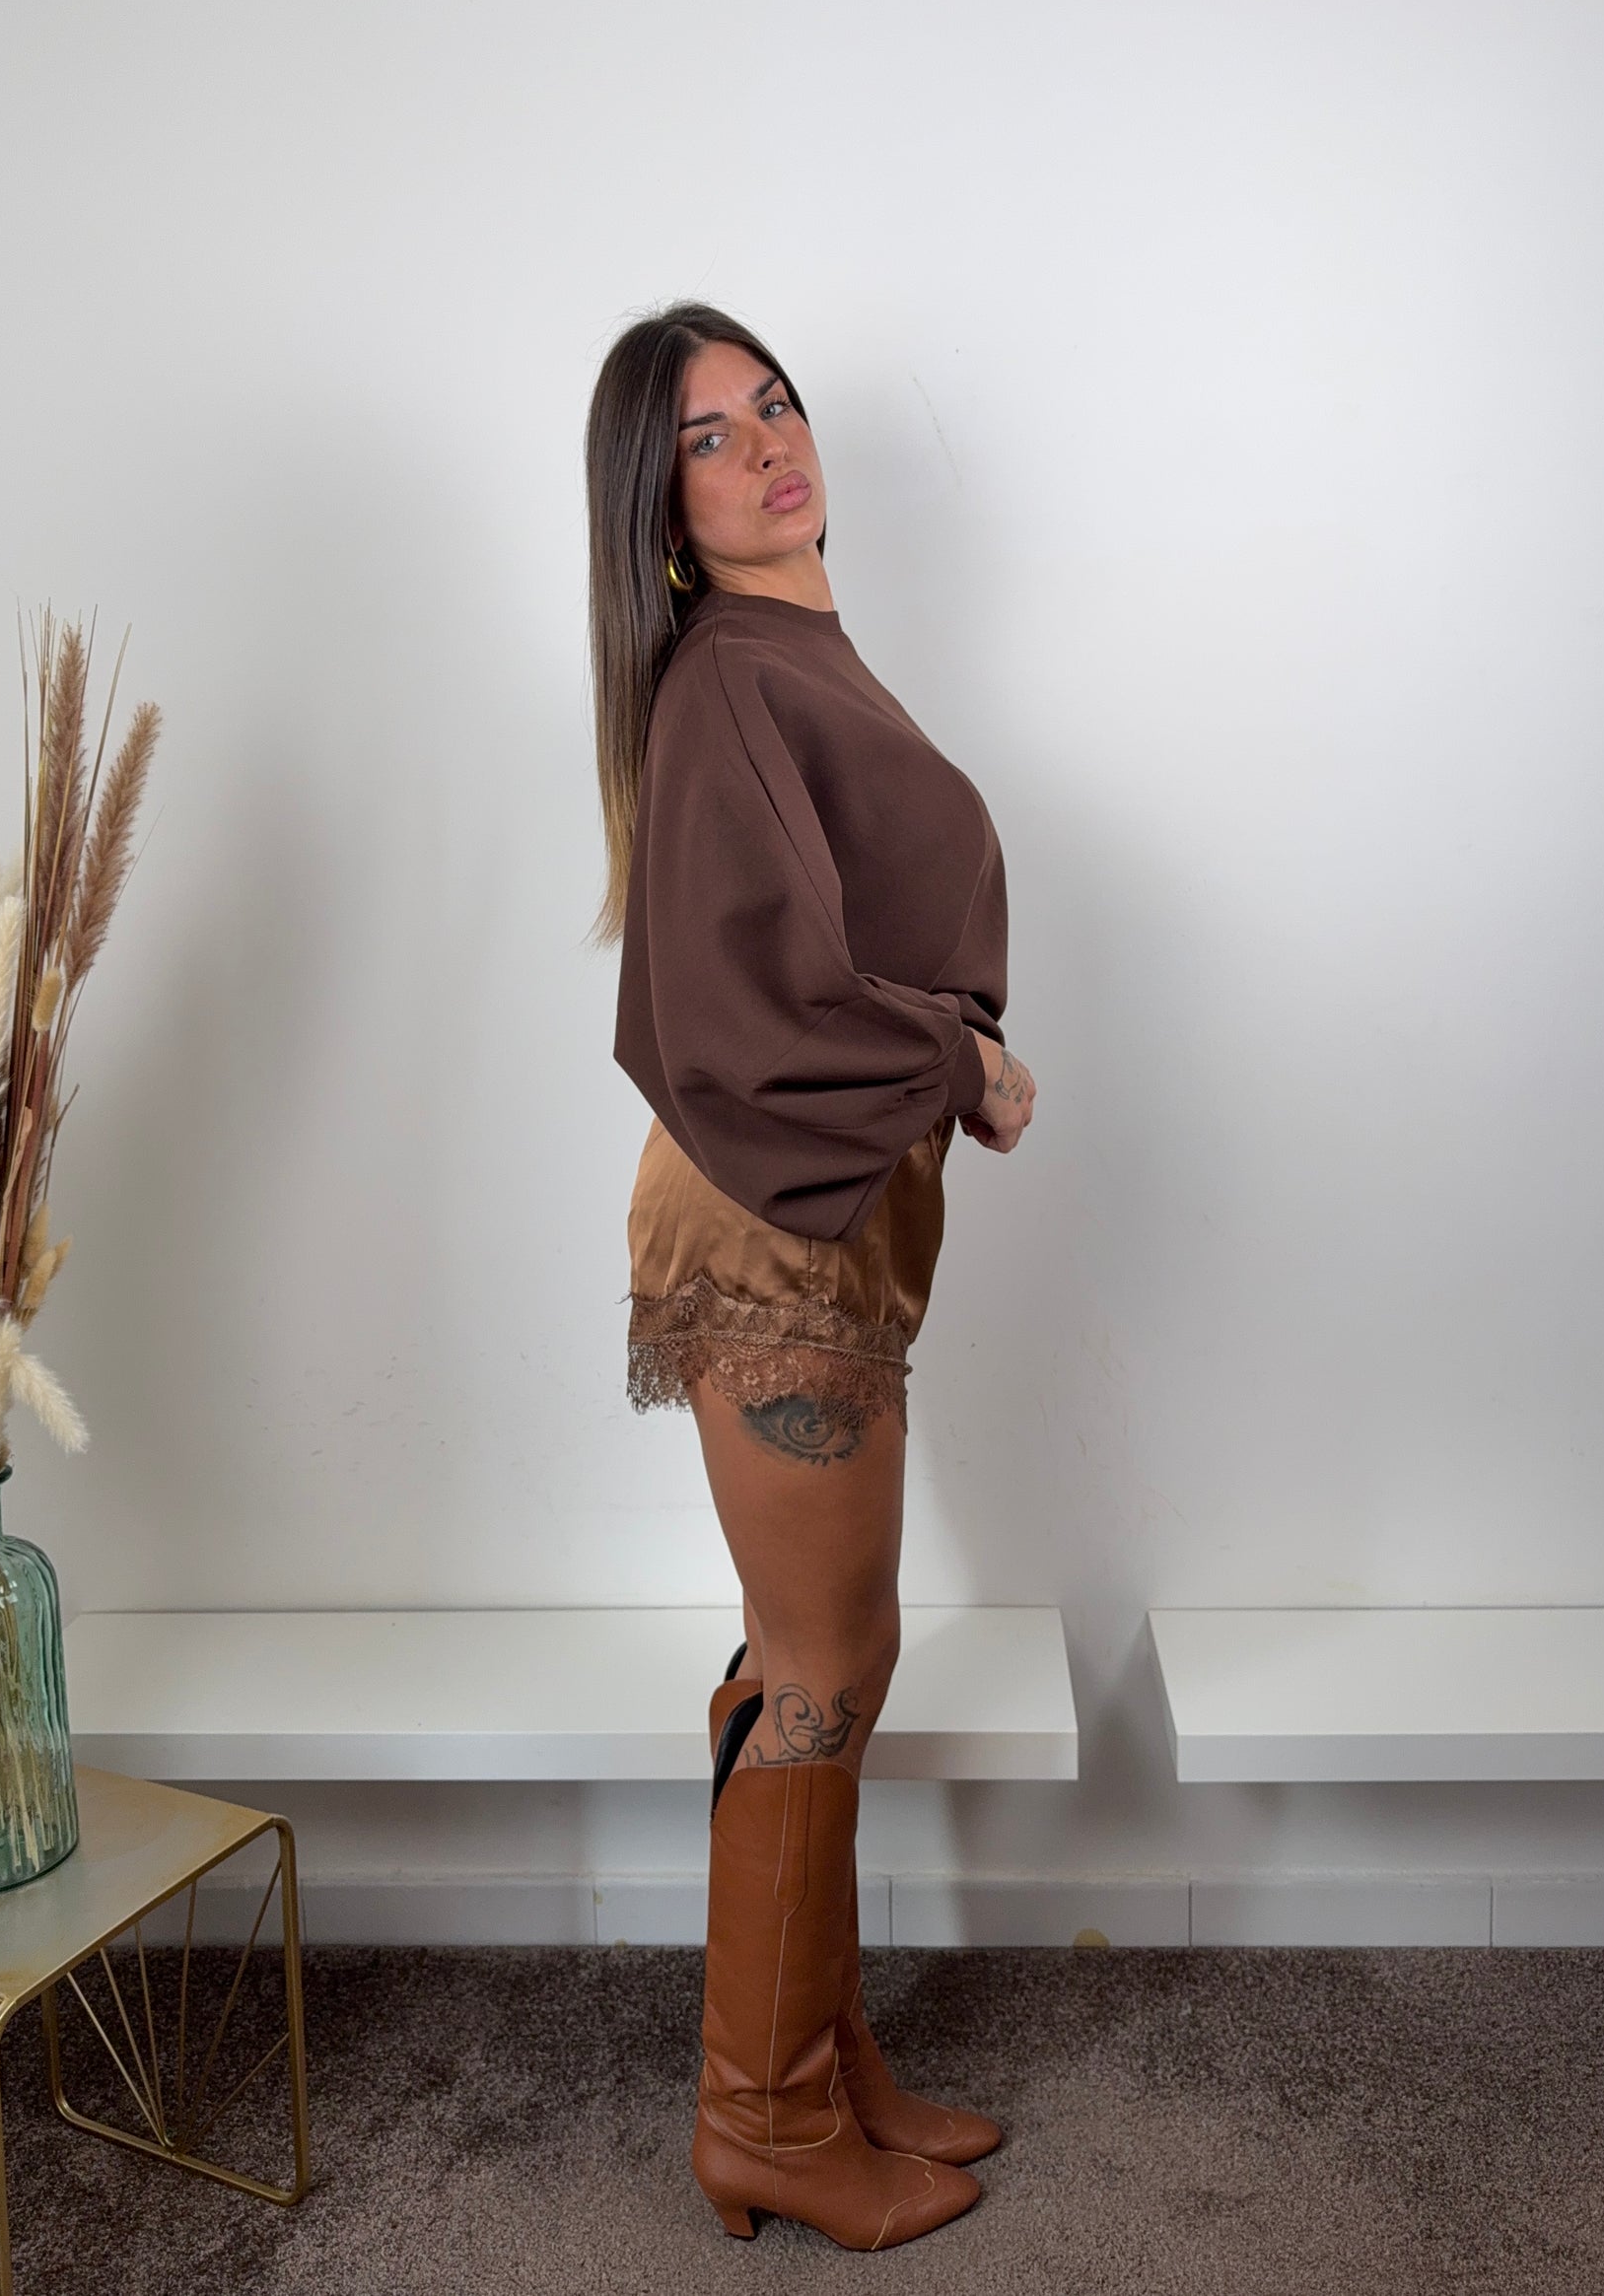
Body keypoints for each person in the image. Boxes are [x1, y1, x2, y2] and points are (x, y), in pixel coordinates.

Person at [585, 304, 1036, 2250]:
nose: (768, 443)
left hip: (820, 1212)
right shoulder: (724, 681)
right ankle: (759, 2113)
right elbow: (746, 981)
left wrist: (939, 1061)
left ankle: (821, 2062)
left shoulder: (790, 657)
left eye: (774, 404)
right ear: (658, 508)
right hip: (767, 1220)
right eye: (709, 434)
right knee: (830, 1664)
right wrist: (962, 1062)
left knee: (814, 1654)